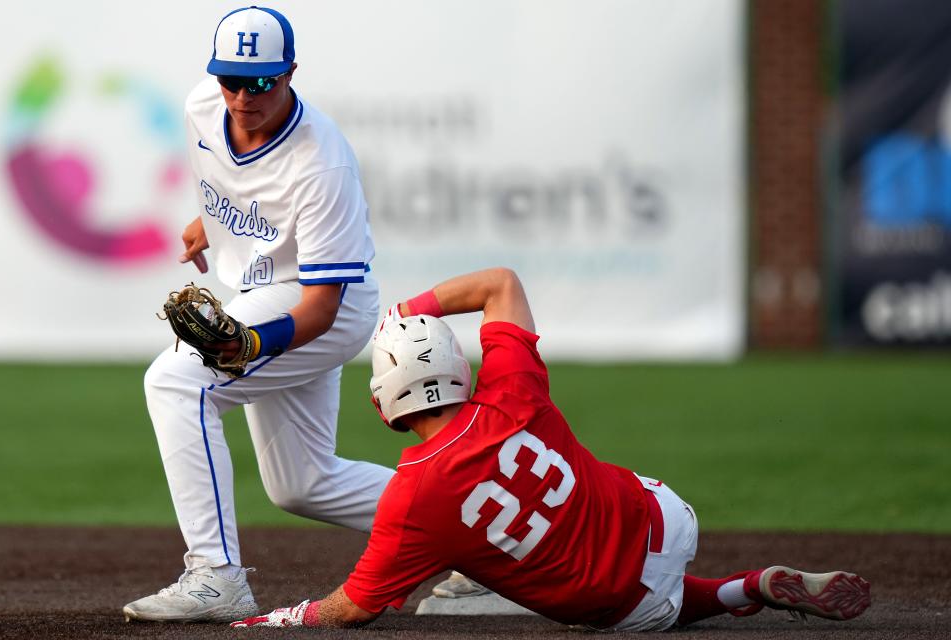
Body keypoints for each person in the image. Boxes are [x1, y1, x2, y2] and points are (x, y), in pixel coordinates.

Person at [229, 267, 872, 631]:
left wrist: (274, 621)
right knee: (625, 538)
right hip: (667, 515)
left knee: (636, 601)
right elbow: (500, 283)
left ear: (383, 406)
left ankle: (742, 590)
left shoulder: (411, 497)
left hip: (623, 604)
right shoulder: (511, 389)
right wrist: (409, 308)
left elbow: (353, 607)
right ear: (461, 368)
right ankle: (751, 585)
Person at [122, 7, 395, 623]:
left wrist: (251, 341)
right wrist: (209, 224)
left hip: (317, 303)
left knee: (175, 381)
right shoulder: (202, 106)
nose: (244, 96)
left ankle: (215, 576)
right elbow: (226, 179)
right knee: (303, 484)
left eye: (262, 82)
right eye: (231, 80)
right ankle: (465, 529)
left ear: (291, 73)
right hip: (260, 292)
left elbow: (322, 305)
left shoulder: (322, 161)